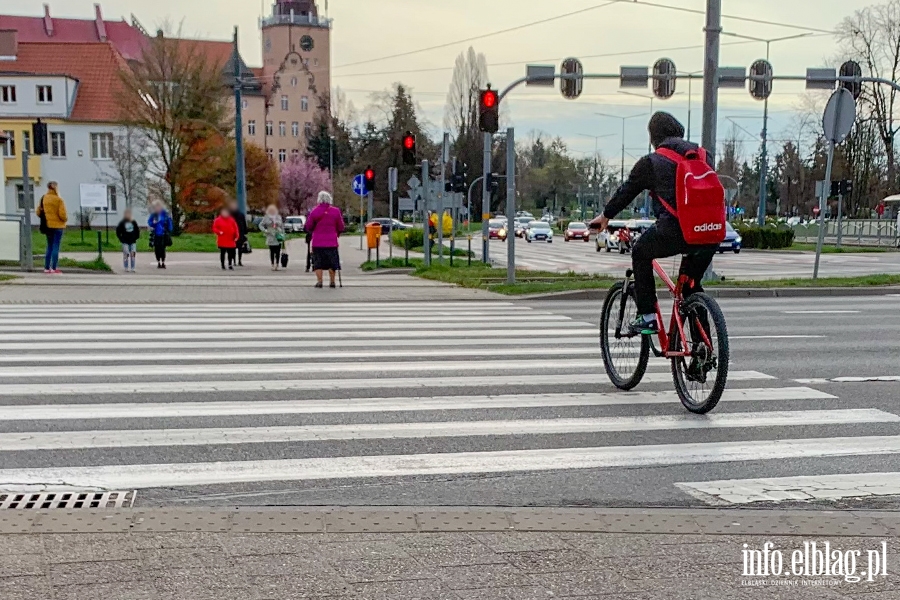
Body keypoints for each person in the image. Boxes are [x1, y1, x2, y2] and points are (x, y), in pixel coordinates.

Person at [589, 112, 717, 336]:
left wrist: (605, 216)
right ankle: (701, 355)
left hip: (676, 230)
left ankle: (647, 315)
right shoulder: (704, 156)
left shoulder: (651, 162)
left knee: (640, 252)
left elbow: (626, 192)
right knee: (691, 288)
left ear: (653, 138)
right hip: (711, 232)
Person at [305, 191, 344, 288]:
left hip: (317, 242)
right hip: (332, 242)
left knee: (318, 263)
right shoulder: (336, 211)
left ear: (319, 199)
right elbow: (341, 227)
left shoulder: (314, 211)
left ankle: (320, 282)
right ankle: (332, 282)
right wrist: (336, 234)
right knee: (332, 263)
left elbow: (308, 226)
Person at [35, 181, 67, 274]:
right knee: (56, 246)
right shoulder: (59, 200)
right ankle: (54, 267)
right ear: (56, 188)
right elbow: (63, 215)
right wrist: (65, 219)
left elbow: (38, 212)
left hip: (48, 226)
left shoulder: (43, 198)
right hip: (58, 226)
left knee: (49, 246)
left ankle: (46, 268)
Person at [259, 204, 285, 271]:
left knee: (278, 251)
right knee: (272, 251)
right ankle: (272, 264)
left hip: (278, 236)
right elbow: (260, 225)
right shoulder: (266, 217)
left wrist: (283, 234)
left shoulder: (278, 217)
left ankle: (277, 264)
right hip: (270, 235)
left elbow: (282, 226)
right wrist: (265, 230)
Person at [148, 201, 173, 269]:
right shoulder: (154, 215)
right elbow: (150, 222)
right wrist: (153, 223)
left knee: (162, 249)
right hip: (156, 235)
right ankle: (158, 261)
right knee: (157, 249)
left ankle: (163, 262)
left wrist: (169, 230)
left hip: (163, 234)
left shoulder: (165, 214)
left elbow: (169, 223)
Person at [115, 208, 141, 272]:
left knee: (133, 254)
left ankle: (133, 267)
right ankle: (126, 267)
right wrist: (121, 239)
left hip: (132, 241)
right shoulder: (122, 223)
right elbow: (118, 231)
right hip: (125, 241)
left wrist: (136, 237)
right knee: (126, 254)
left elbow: (137, 230)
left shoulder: (133, 222)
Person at [229, 201, 249, 266]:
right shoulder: (230, 215)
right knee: (234, 248)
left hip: (240, 233)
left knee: (239, 248)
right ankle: (234, 260)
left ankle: (239, 260)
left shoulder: (240, 214)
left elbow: (244, 224)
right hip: (233, 233)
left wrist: (245, 232)